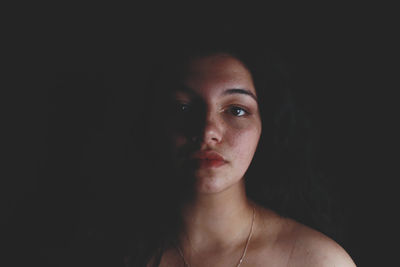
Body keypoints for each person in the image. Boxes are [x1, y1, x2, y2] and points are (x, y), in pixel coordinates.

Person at [126, 34, 356, 266]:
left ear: (266, 125)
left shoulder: (318, 261)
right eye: (183, 107)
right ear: (152, 121)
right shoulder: (112, 252)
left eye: (236, 110)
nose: (207, 132)